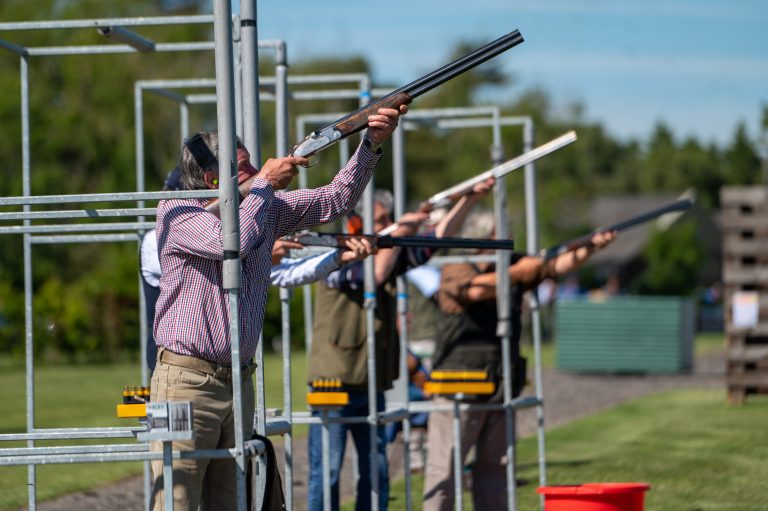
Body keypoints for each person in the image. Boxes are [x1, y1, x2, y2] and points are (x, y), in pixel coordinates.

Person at [150, 105, 405, 511]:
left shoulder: (261, 205)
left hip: (237, 382)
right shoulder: (176, 212)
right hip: (184, 382)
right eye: (245, 166)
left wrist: (370, 145)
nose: (256, 169)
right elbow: (227, 243)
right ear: (214, 179)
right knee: (176, 502)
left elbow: (334, 201)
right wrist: (265, 184)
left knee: (234, 501)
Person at [306, 178, 494, 511]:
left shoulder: (388, 254)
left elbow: (437, 238)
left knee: (376, 470)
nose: (385, 227)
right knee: (328, 472)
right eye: (380, 222)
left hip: (372, 380)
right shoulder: (331, 255)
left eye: (387, 220)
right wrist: (399, 230)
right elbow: (374, 275)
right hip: (331, 381)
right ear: (356, 222)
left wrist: (467, 200)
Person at [421, 211, 616, 511]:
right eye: (498, 234)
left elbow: (556, 265)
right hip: (460, 385)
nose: (507, 240)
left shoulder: (512, 264)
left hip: (501, 383)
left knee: (496, 470)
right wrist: (519, 272)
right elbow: (473, 289)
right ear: (481, 239)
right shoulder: (457, 265)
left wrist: (592, 246)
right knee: (444, 471)